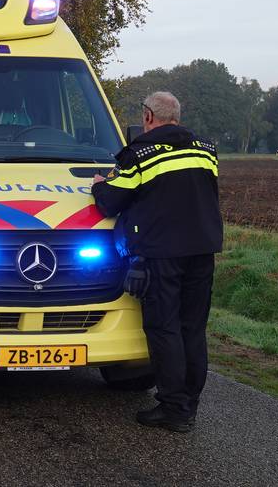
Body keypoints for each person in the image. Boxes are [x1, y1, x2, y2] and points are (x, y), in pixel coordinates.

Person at [92, 91, 223, 433]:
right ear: (177, 116)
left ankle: (173, 408)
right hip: (202, 250)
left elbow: (111, 202)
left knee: (164, 327)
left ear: (148, 116)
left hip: (162, 254)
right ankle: (189, 404)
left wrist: (99, 185)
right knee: (192, 328)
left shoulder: (140, 155)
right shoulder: (206, 150)